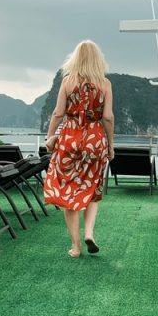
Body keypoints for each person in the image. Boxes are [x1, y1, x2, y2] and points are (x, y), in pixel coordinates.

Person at [43, 40, 115, 258]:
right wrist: (110, 145)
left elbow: (57, 113)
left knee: (68, 191)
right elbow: (108, 117)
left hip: (69, 140)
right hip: (95, 140)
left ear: (75, 58)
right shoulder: (105, 84)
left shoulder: (68, 82)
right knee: (92, 188)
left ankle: (76, 246)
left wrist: (49, 137)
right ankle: (89, 232)